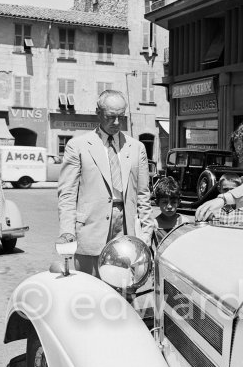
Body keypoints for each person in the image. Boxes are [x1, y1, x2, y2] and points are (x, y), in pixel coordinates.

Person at [56, 90, 153, 277]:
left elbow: (143, 194)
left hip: (126, 230)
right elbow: (67, 194)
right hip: (91, 230)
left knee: (123, 287)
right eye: (110, 117)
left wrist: (146, 234)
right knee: (90, 289)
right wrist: (67, 232)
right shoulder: (78, 146)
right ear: (98, 113)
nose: (116, 123)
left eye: (121, 117)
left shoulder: (137, 148)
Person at [152, 176, 191, 246]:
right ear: (157, 202)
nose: (169, 206)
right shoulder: (154, 225)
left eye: (173, 202)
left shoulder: (184, 222)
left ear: (178, 202)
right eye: (164, 202)